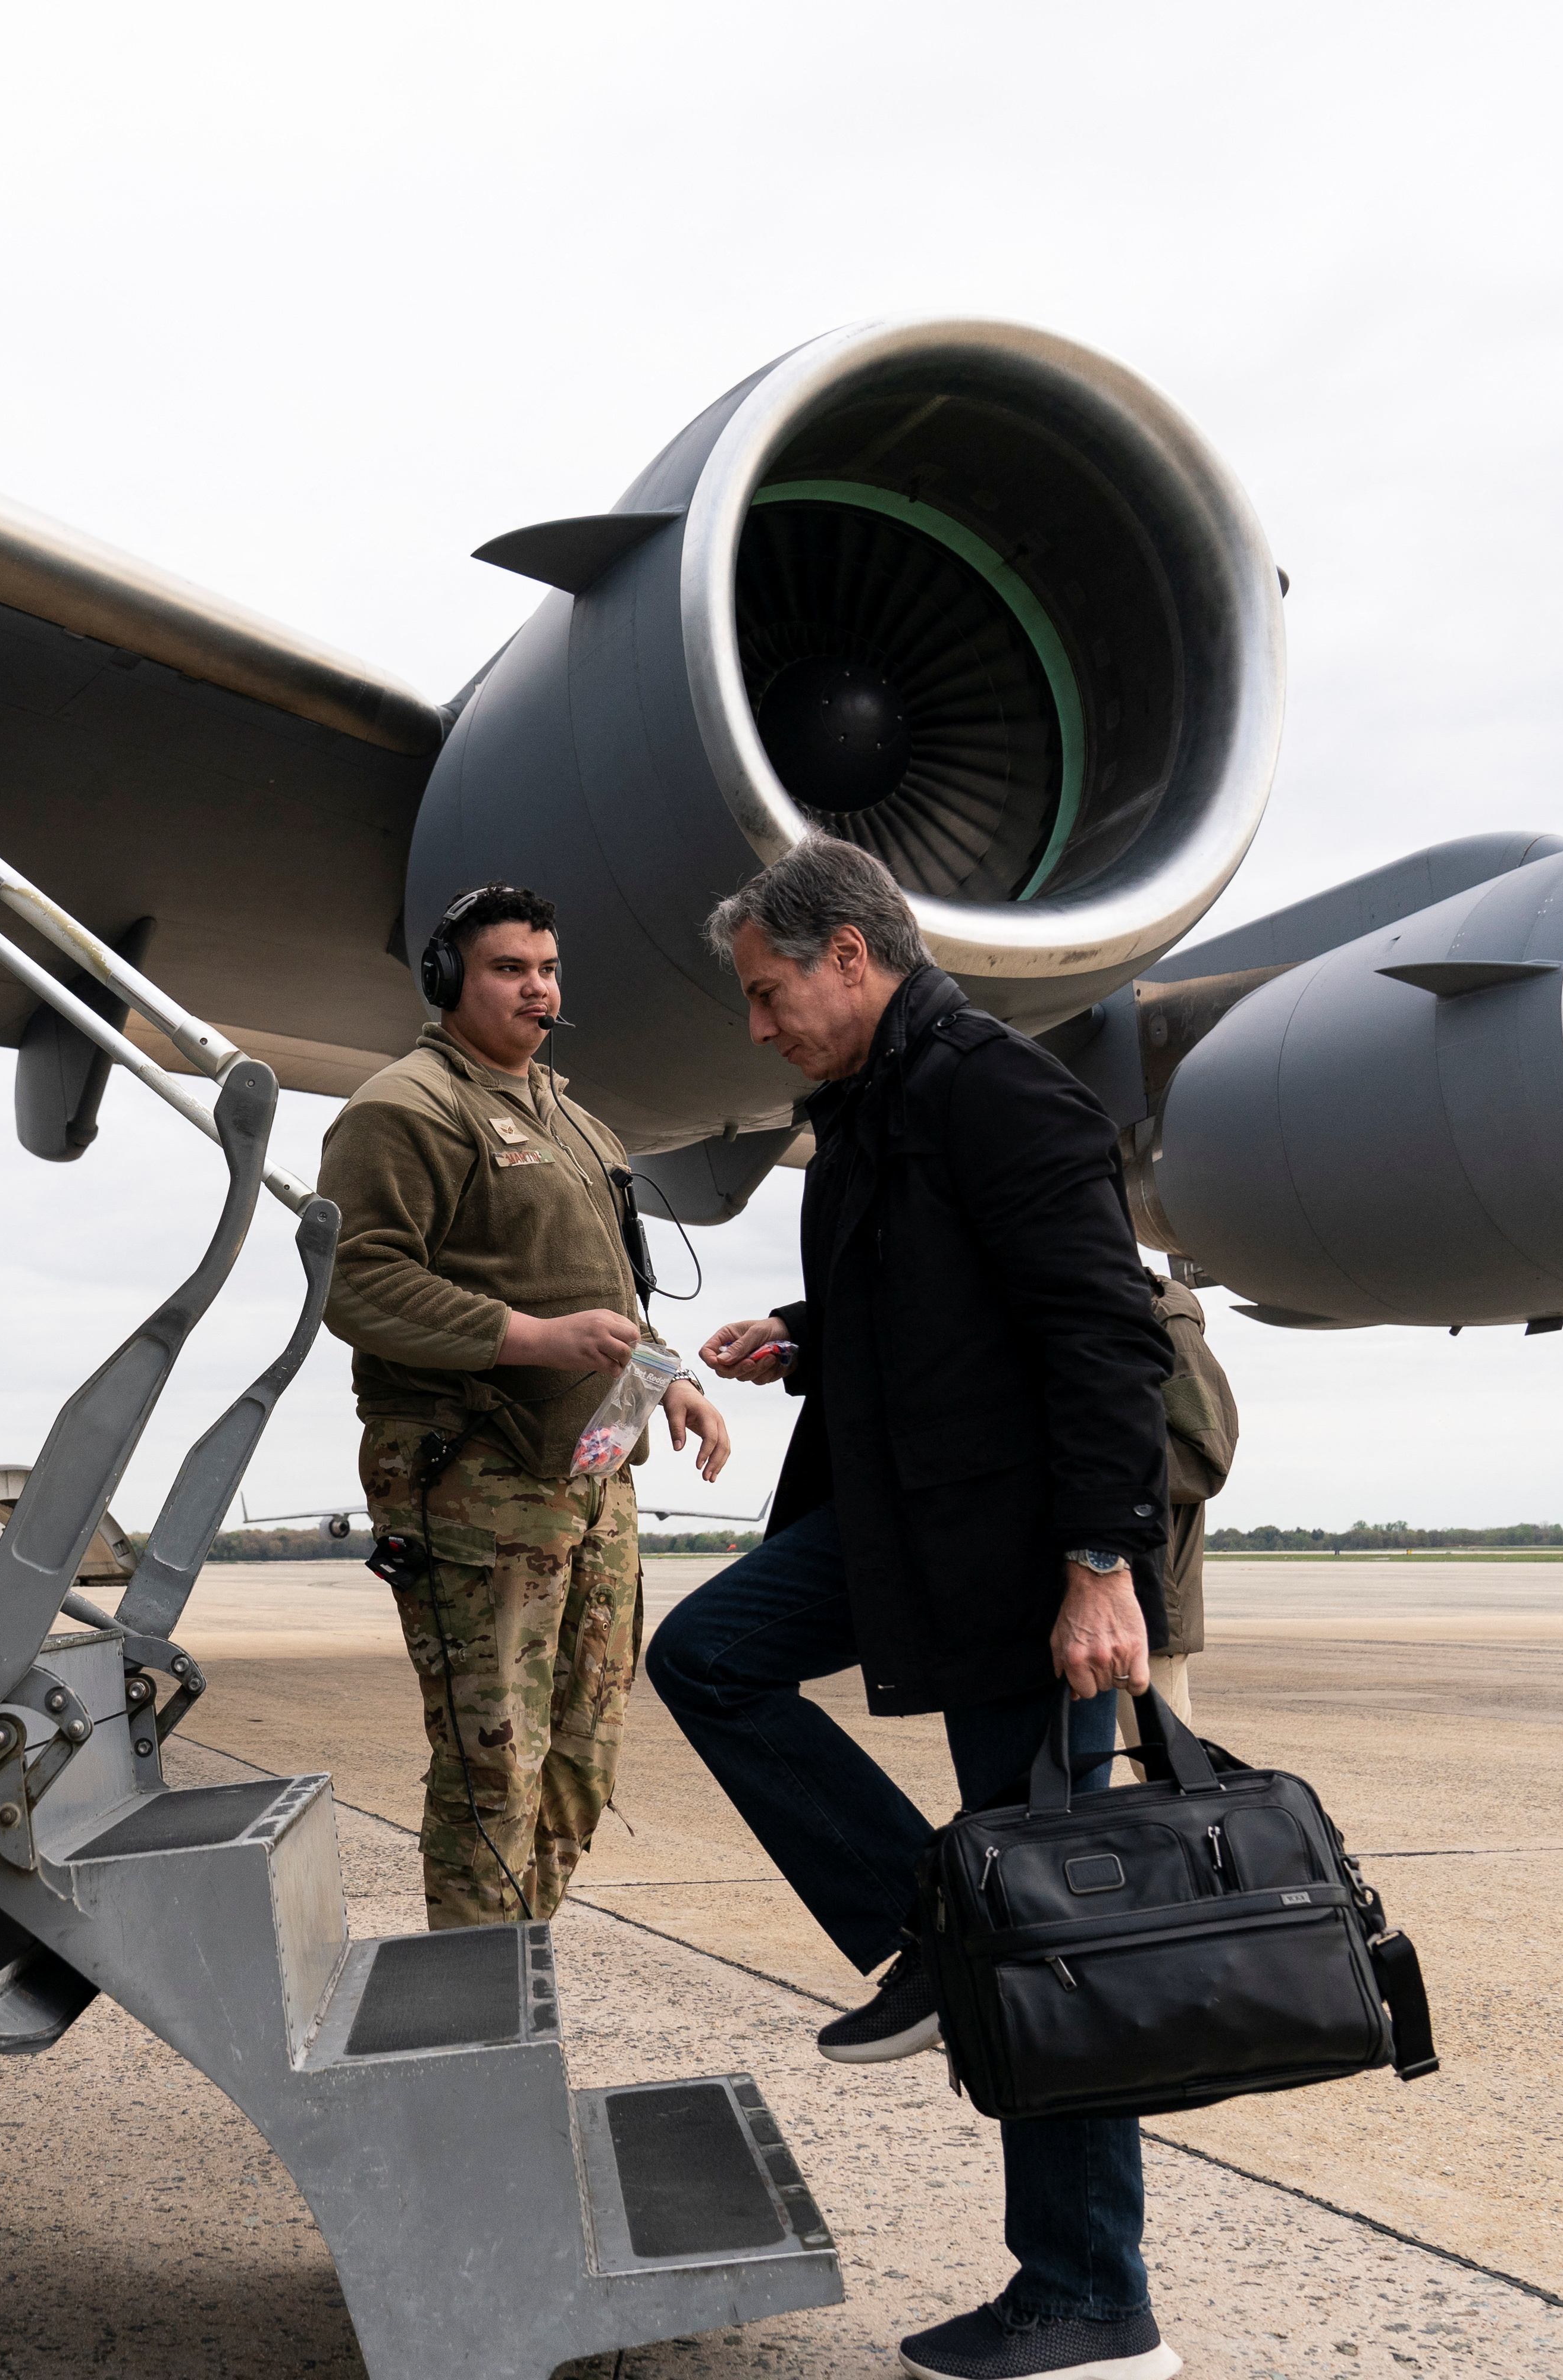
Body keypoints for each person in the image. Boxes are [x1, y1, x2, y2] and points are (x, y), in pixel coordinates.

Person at [646, 838, 1184, 2380]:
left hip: (1027, 1571)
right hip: (909, 1531)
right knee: (713, 1654)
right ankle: (931, 1931)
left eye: (767, 993)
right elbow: (949, 1296)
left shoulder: (1001, 1094)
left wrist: (1102, 1565)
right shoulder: (881, 1107)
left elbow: (1104, 1339)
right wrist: (807, 1335)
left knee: (1050, 1939)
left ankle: (1089, 2298)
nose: (757, 1027)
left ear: (850, 958)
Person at [317, 882, 729, 1928]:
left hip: (594, 1477)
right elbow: (356, 1283)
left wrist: (668, 1378)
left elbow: (612, 1299)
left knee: (582, 1757)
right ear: (450, 980)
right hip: (477, 1479)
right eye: (510, 969)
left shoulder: (583, 1128)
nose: (537, 990)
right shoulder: (403, 1110)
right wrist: (531, 1340)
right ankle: (475, 2018)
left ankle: (514, 1969)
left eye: (547, 970)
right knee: (492, 1760)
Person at [1129, 1267, 1237, 1744]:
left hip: (1151, 1592)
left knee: (1164, 1772)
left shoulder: (1166, 1319)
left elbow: (1204, 1458)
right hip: (1058, 1599)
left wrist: (1094, 1460)